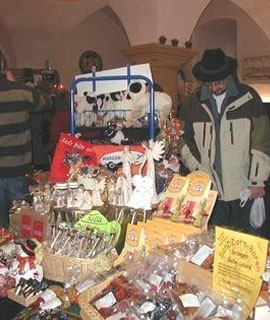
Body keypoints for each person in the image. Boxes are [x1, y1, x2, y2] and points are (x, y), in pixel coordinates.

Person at [178, 48, 270, 237]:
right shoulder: (193, 104)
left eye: (219, 82)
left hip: (244, 189)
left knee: (249, 243)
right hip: (210, 191)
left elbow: (262, 140)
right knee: (214, 244)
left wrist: (257, 180)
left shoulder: (249, 98)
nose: (215, 88)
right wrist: (199, 171)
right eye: (209, 83)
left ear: (229, 76)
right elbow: (182, 138)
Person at [0, 70, 47, 229]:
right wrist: (17, 83)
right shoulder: (19, 91)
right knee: (21, 227)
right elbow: (45, 102)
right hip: (16, 168)